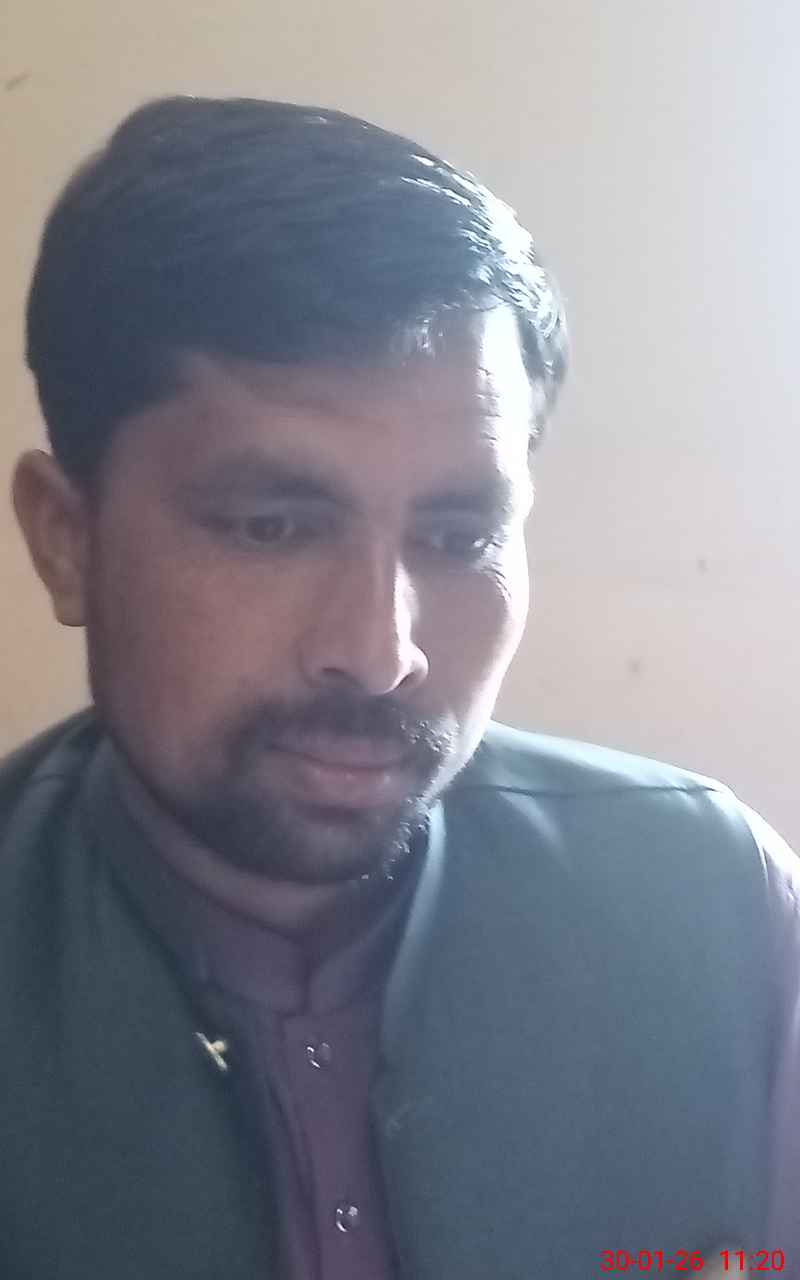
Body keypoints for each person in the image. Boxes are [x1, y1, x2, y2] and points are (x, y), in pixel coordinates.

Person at [2, 96, 798, 1280]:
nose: (380, 652)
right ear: (66, 537)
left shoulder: (709, 907)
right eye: (271, 525)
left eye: (458, 536)